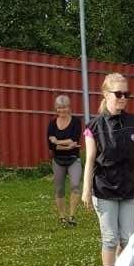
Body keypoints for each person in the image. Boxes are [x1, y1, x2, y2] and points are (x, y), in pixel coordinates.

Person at [82, 73, 134, 266]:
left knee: (128, 239)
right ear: (106, 95)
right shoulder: (94, 127)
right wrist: (86, 190)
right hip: (105, 189)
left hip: (130, 189)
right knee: (110, 238)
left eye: (127, 94)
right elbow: (90, 160)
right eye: (118, 94)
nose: (123, 98)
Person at [47, 95, 82, 226]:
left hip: (74, 159)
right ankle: (62, 216)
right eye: (59, 108)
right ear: (56, 109)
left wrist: (57, 141)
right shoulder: (52, 124)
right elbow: (51, 146)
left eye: (64, 107)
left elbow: (74, 140)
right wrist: (66, 145)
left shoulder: (76, 122)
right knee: (59, 189)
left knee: (75, 185)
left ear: (69, 107)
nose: (62, 110)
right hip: (58, 160)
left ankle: (72, 216)